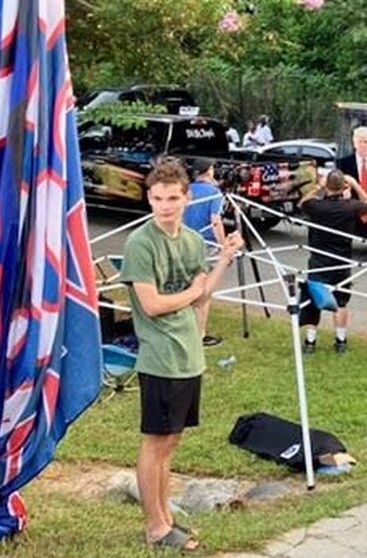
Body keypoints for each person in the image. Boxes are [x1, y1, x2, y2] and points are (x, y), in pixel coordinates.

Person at [119, 157, 244, 551]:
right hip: (159, 356)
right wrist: (191, 292)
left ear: (187, 199)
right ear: (149, 199)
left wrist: (223, 257)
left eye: (173, 198)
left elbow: (204, 294)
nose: (166, 206)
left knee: (171, 441)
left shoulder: (191, 241)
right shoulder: (140, 243)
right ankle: (154, 526)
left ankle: (167, 517)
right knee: (154, 442)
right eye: (158, 198)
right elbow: (153, 304)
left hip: (189, 354)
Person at [298, 170, 367, 354]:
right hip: (341, 260)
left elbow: (302, 203)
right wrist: (355, 184)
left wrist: (318, 186)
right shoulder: (351, 206)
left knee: (314, 299)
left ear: (327, 186)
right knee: (340, 302)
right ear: (343, 187)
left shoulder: (316, 206)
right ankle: (340, 340)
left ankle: (310, 342)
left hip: (318, 260)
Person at [183, 158, 227, 347]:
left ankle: (184, 327)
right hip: (205, 244)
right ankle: (200, 334)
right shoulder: (213, 193)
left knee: (186, 285)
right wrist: (224, 246)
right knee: (204, 290)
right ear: (209, 171)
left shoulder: (187, 190)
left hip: (184, 242)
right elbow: (215, 221)